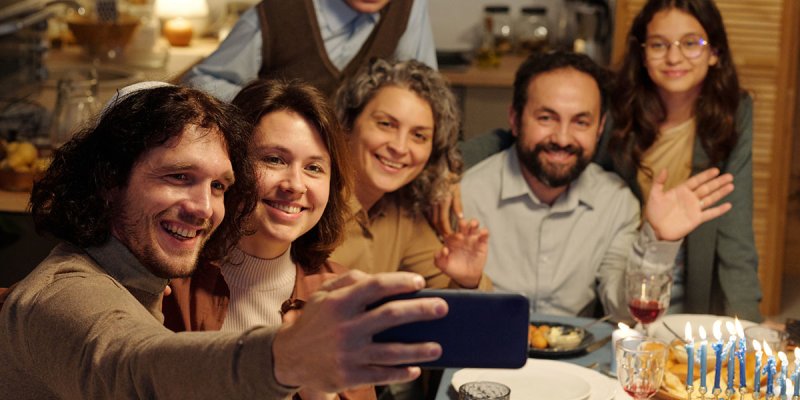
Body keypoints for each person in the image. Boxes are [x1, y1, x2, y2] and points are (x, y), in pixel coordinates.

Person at [0, 82, 449, 399]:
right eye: (179, 176)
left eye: (218, 186)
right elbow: (135, 366)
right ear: (109, 179)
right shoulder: (65, 293)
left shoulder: (144, 282)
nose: (203, 207)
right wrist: (287, 356)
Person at [460, 51, 735, 320]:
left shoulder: (615, 201)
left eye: (581, 122)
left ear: (600, 128)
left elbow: (621, 310)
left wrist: (659, 241)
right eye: (546, 118)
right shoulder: (465, 194)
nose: (563, 138)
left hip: (578, 351)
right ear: (514, 119)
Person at [162, 79, 374, 399]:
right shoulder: (171, 279)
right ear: (232, 165)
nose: (295, 185)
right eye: (274, 159)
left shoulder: (341, 295)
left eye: (314, 168)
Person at [594, 0, 761, 322]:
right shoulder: (614, 104)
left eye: (691, 43)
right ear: (642, 53)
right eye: (659, 45)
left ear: (715, 53)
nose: (674, 57)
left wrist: (748, 323)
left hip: (685, 268)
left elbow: (735, 228)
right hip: (614, 267)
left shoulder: (733, 113)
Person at [330, 58, 491, 292]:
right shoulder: (308, 201)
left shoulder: (402, 211)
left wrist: (467, 279)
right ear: (347, 125)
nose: (400, 147)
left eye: (419, 136)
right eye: (386, 124)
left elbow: (464, 300)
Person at [184, 0, 438, 101]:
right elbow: (198, 82)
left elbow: (427, 96)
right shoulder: (278, 12)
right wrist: (268, 106)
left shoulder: (409, 7)